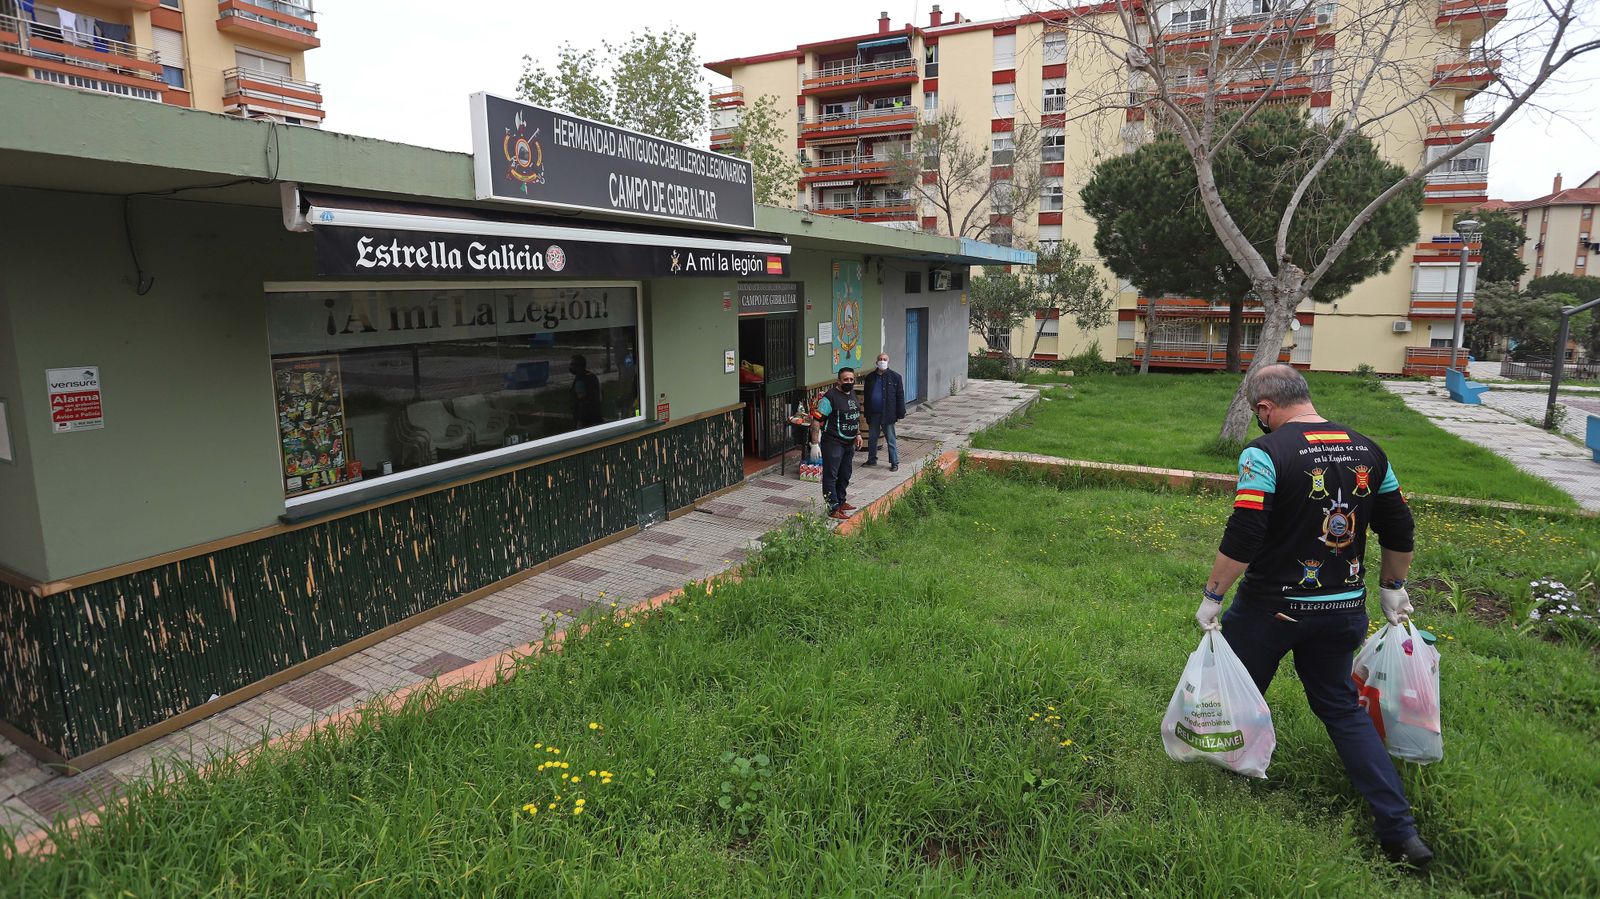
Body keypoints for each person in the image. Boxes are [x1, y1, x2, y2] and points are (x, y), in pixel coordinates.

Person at [1194, 364, 1431, 869]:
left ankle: (1226, 776)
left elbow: (1246, 531)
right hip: (1344, 609)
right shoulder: (1369, 449)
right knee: (1342, 710)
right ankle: (1400, 832)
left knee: (1237, 692)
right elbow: (1400, 524)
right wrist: (1393, 588)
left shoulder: (1264, 452)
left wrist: (1213, 595)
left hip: (1270, 609)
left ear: (1264, 409)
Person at [812, 367, 866, 520]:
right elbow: (817, 420)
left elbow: (854, 417)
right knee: (831, 476)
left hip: (849, 443)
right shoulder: (830, 398)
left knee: (845, 474)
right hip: (833, 443)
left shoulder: (853, 394)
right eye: (845, 380)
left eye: (851, 379)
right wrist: (815, 443)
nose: (849, 382)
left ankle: (841, 502)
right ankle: (833, 507)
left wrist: (858, 434)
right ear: (838, 381)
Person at [861, 352, 907, 472]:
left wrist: (901, 412)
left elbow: (900, 395)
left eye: (884, 359)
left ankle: (894, 462)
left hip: (888, 413)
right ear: (876, 362)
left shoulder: (895, 377)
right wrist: (866, 413)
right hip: (873, 413)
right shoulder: (870, 377)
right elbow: (866, 396)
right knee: (872, 438)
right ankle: (871, 459)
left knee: (891, 439)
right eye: (880, 359)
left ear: (888, 362)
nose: (882, 361)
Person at [569, 354, 603, 427]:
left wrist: (580, 420)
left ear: (578, 366)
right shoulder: (592, 376)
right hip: (596, 416)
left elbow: (582, 402)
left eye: (572, 364)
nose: (570, 367)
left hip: (586, 421)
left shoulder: (580, 381)